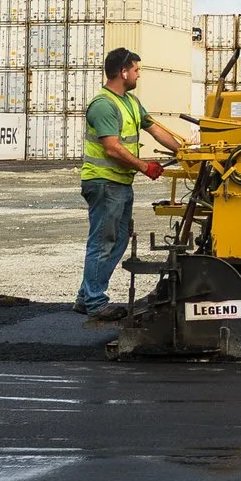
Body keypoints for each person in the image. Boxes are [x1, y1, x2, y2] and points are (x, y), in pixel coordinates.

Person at [77, 46, 188, 316]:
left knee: (117, 241)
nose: (139, 75)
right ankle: (94, 302)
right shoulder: (104, 105)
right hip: (104, 183)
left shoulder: (130, 102)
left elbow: (155, 129)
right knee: (103, 242)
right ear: (123, 71)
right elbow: (112, 148)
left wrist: (184, 152)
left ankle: (86, 296)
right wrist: (144, 167)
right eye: (137, 70)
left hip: (120, 184)